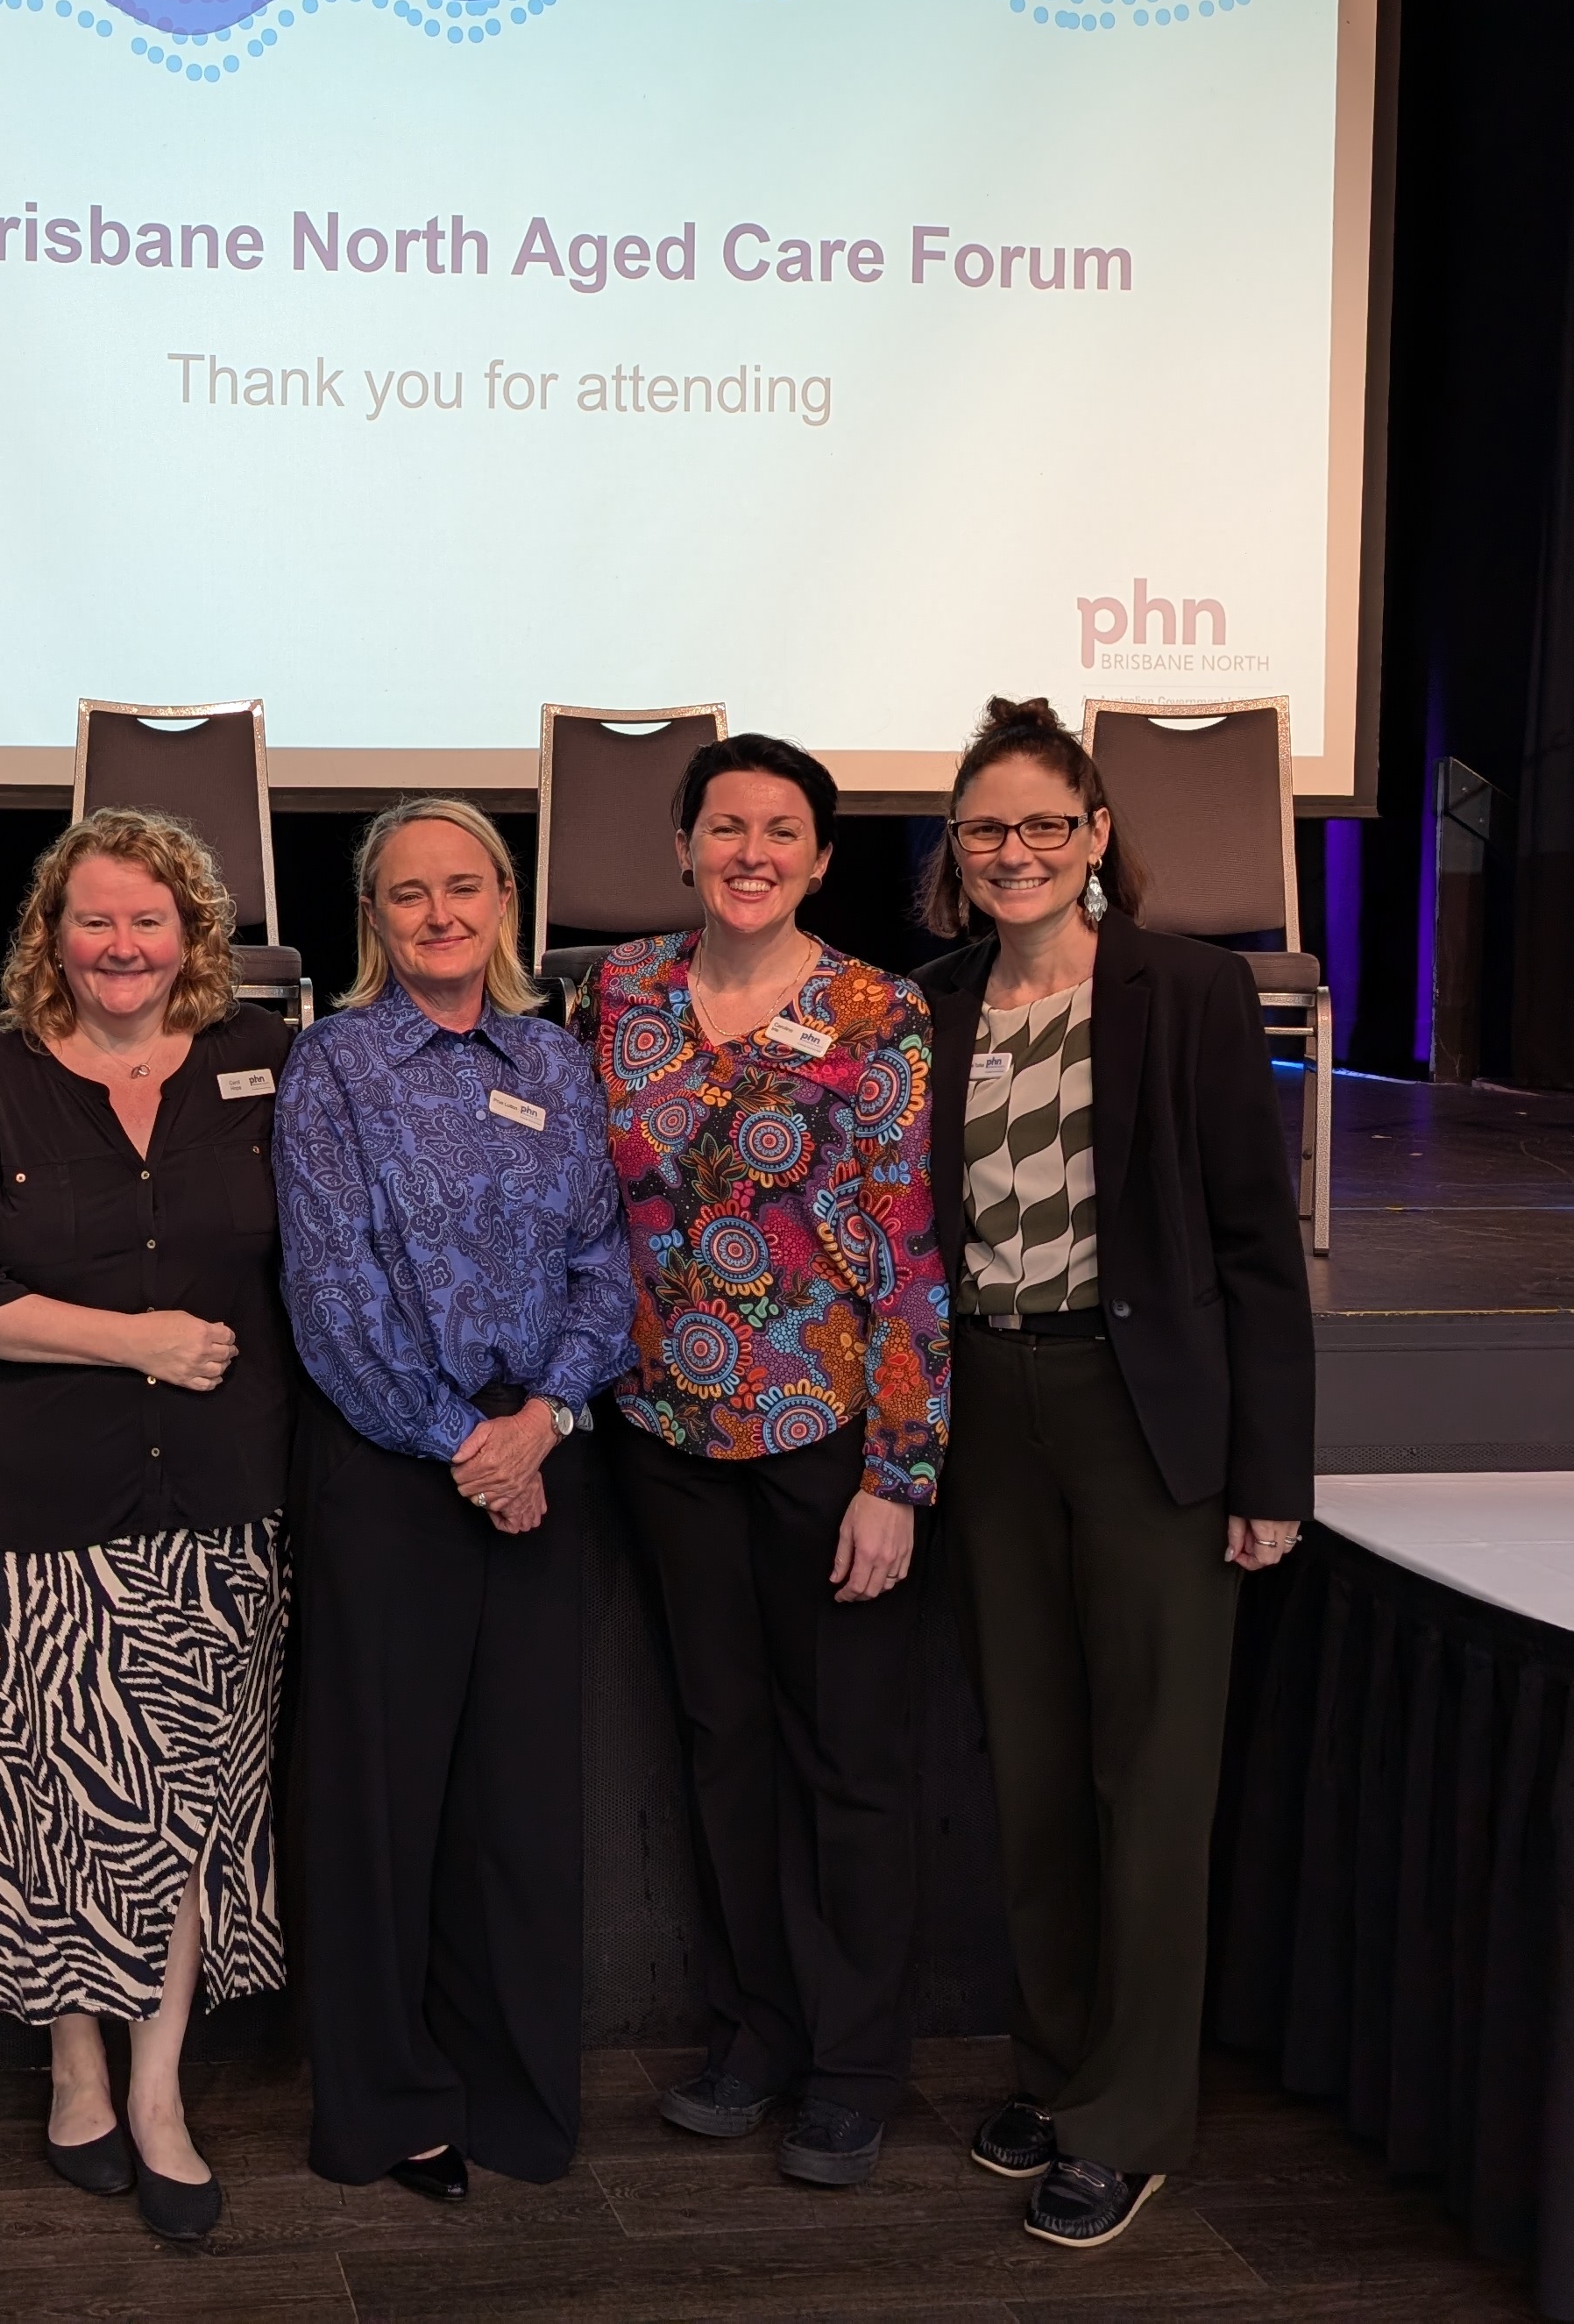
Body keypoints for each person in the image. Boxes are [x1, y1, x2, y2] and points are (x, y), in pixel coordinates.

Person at [913, 695, 1314, 2250]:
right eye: (985, 828)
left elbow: (1255, 1247)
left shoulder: (1188, 991)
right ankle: (1061, 2068)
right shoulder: (934, 1002)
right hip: (985, 1409)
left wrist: (1268, 1474)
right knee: (1031, 1767)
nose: (1013, 851)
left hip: (1146, 1413)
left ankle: (1131, 2118)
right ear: (956, 850)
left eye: (1042, 824)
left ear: (1093, 836)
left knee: (1149, 1779)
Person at [0, 809, 297, 2245]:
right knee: (55, 1801)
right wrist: (134, 1340)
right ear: (50, 937)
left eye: (149, 919)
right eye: (94, 920)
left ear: (192, 935)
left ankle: (159, 2092)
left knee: (185, 1802)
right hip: (31, 1506)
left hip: (218, 1498)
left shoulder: (267, 1061)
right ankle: (74, 2068)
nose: (121, 945)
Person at [583, 733, 949, 2190]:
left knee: (845, 1759)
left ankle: (853, 2067)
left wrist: (898, 1476)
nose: (751, 852)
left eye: (781, 830)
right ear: (683, 846)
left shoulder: (878, 1011)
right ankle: (755, 2034)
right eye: (725, 826)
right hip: (664, 1429)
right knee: (721, 1746)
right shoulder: (620, 991)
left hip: (824, 1437)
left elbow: (911, 1254)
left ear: (821, 858)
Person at [275, 796, 636, 2200]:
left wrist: (542, 1424)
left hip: (541, 1455)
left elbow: (604, 1263)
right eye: (410, 893)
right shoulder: (334, 1063)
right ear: (374, 915)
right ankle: (388, 2105)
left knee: (518, 1808)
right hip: (391, 1467)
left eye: (466, 887)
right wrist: (468, 1448)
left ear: (504, 903)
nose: (441, 915)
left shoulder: (556, 1059)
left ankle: (512, 2094)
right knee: (382, 1809)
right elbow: (332, 1289)